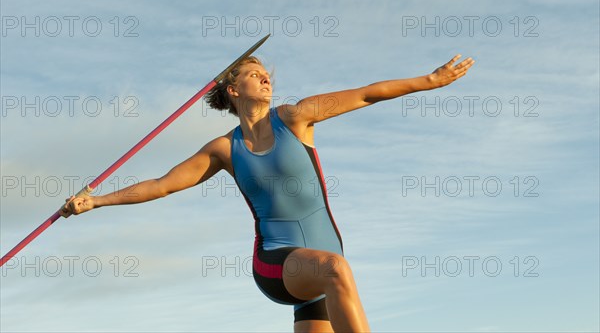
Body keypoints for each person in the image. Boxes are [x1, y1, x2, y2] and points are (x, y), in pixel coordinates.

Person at [61, 53, 475, 332]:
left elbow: (366, 94)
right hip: (278, 266)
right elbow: (161, 185)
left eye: (267, 74)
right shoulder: (224, 150)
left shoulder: (296, 116)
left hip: (318, 275)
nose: (266, 77)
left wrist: (428, 81)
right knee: (336, 269)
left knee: (333, 271)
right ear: (233, 90)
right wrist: (95, 201)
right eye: (253, 73)